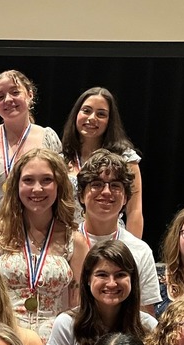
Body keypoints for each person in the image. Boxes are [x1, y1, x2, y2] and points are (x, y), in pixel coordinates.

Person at [0, 148, 86, 344]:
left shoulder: (75, 241)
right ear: (16, 186)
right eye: (28, 180)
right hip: (4, 340)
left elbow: (78, 306)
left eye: (46, 180)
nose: (37, 189)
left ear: (59, 185)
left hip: (55, 344)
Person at [0, 70, 62, 242]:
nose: (8, 99)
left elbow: (60, 192)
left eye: (15, 92)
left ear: (30, 95)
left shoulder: (48, 137)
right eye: (0, 96)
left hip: (34, 237)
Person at [74, 150, 160, 312]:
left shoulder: (139, 251)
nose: (106, 192)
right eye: (97, 184)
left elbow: (144, 317)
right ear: (81, 195)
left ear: (126, 198)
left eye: (115, 185)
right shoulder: (64, 244)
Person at [60, 87, 144, 237]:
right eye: (86, 110)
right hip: (69, 240)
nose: (92, 118)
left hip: (110, 241)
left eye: (101, 114)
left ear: (109, 121)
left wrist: (132, 253)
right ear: (76, 114)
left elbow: (134, 211)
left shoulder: (126, 158)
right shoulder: (60, 159)